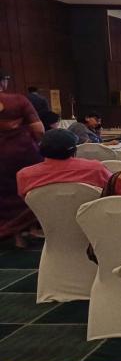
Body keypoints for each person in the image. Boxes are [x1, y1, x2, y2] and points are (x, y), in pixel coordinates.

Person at [0, 69, 44, 248]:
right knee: (27, 192)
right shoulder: (18, 100)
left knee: (4, 194)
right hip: (22, 153)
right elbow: (39, 129)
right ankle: (31, 228)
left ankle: (13, 234)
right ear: (3, 82)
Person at [17, 129, 112, 197]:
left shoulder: (25, 175)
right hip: (92, 217)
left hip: (46, 218)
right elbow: (113, 189)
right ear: (74, 149)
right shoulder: (95, 169)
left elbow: (27, 201)